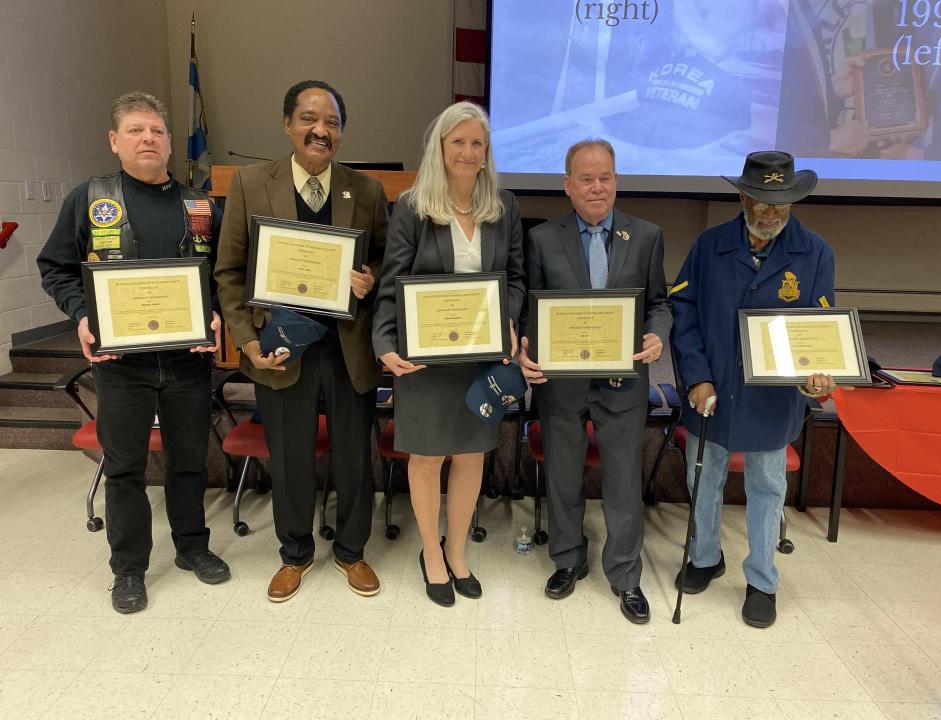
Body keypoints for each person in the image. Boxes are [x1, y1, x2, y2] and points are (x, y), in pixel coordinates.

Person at [37, 91, 229, 614]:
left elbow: (222, 277)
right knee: (125, 467)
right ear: (115, 141)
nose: (149, 138)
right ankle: (128, 569)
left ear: (170, 142)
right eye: (137, 130)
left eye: (158, 131)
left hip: (188, 361)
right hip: (121, 365)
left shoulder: (201, 205)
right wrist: (83, 315)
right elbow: (55, 266)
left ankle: (192, 547)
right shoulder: (89, 198)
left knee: (190, 459)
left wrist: (214, 312)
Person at [215, 80, 387, 602]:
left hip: (347, 348)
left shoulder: (369, 190)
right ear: (288, 124)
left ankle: (352, 552)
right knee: (289, 456)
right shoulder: (249, 183)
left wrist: (371, 278)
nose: (321, 130)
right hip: (280, 347)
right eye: (310, 119)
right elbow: (228, 271)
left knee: (354, 457)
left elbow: (385, 258)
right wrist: (245, 341)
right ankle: (295, 554)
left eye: (332, 122)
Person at [670, 150, 836, 628]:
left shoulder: (816, 252)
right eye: (762, 199)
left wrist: (817, 376)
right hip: (713, 390)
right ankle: (705, 558)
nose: (771, 211)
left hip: (771, 398)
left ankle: (762, 580)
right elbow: (684, 314)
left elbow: (820, 329)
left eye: (781, 201)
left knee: (767, 486)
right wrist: (696, 378)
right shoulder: (709, 245)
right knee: (704, 479)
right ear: (743, 196)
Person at [372, 102, 525, 607]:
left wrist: (508, 316)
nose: (466, 151)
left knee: (470, 454)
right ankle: (430, 554)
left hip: (481, 358)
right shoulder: (414, 207)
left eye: (476, 143)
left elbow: (517, 279)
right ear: (440, 148)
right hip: (426, 357)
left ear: (486, 153)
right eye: (457, 141)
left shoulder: (504, 206)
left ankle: (456, 551)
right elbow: (393, 282)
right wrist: (386, 344)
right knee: (427, 456)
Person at [518, 139, 671, 624]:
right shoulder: (542, 238)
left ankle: (626, 576)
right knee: (563, 474)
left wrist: (656, 334)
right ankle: (568, 560)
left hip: (622, 382)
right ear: (567, 186)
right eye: (586, 178)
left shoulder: (646, 236)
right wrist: (523, 344)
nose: (597, 187)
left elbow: (660, 304)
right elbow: (528, 310)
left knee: (624, 480)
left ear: (616, 180)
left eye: (605, 176)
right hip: (560, 382)